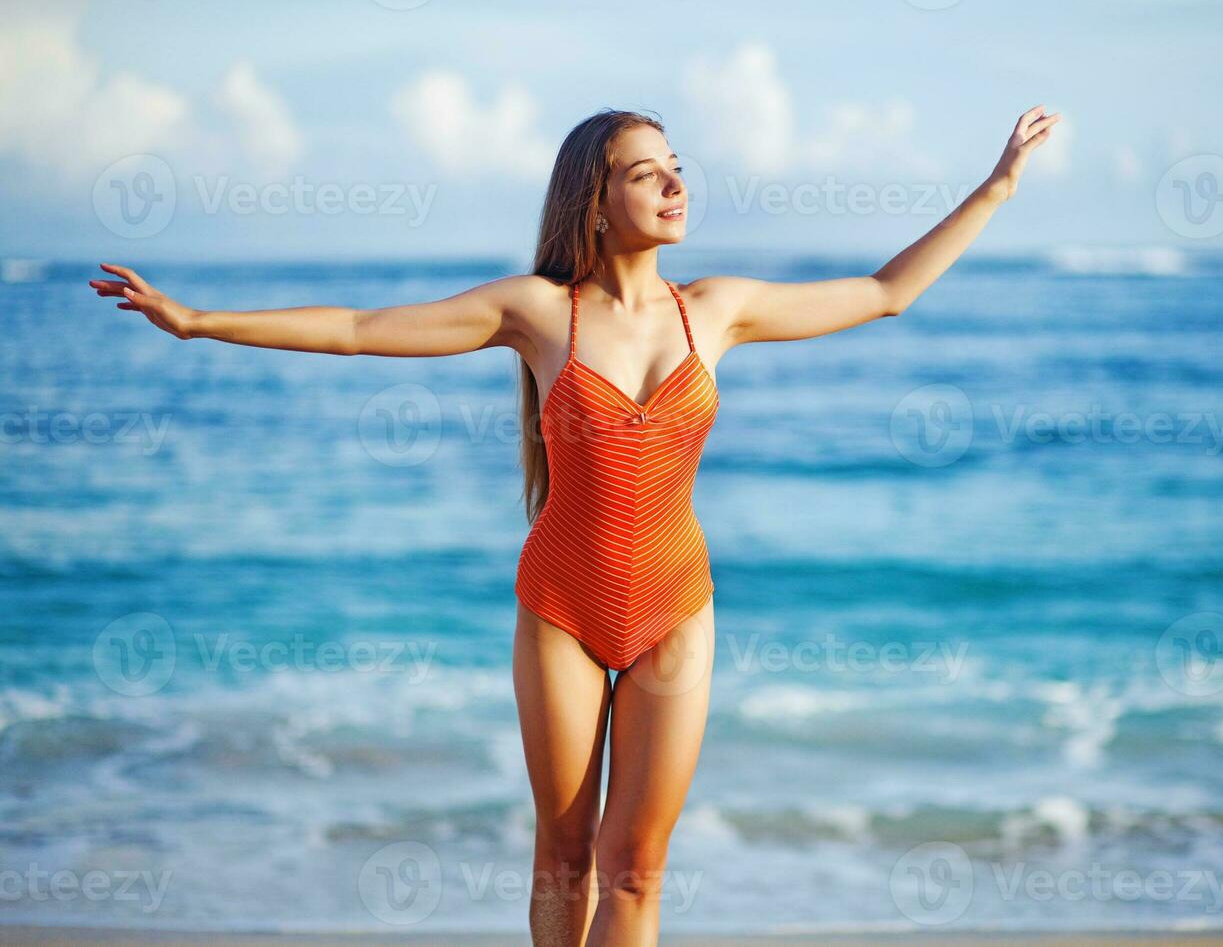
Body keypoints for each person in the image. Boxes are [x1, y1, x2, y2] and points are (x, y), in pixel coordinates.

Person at [91, 103, 1058, 946]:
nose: (676, 185)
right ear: (597, 200)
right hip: (561, 604)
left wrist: (1000, 188)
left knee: (636, 863)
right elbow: (356, 326)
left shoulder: (714, 313)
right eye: (648, 174)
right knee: (564, 857)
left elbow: (886, 293)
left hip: (677, 607)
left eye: (677, 167)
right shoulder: (540, 313)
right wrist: (199, 320)